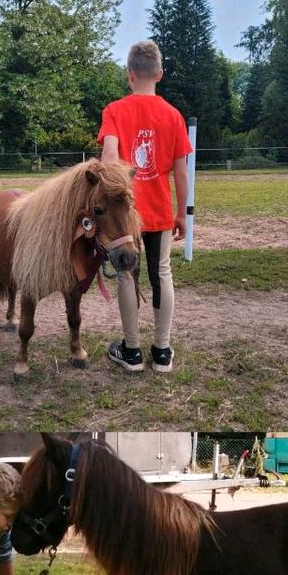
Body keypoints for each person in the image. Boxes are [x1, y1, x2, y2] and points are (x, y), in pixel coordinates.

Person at [98, 39, 192, 374]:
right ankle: (163, 351)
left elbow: (109, 156)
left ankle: (132, 351)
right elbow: (181, 171)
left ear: (129, 75)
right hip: (160, 212)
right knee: (162, 273)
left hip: (126, 216)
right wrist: (182, 213)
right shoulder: (174, 115)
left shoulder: (114, 111)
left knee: (126, 275)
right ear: (160, 74)